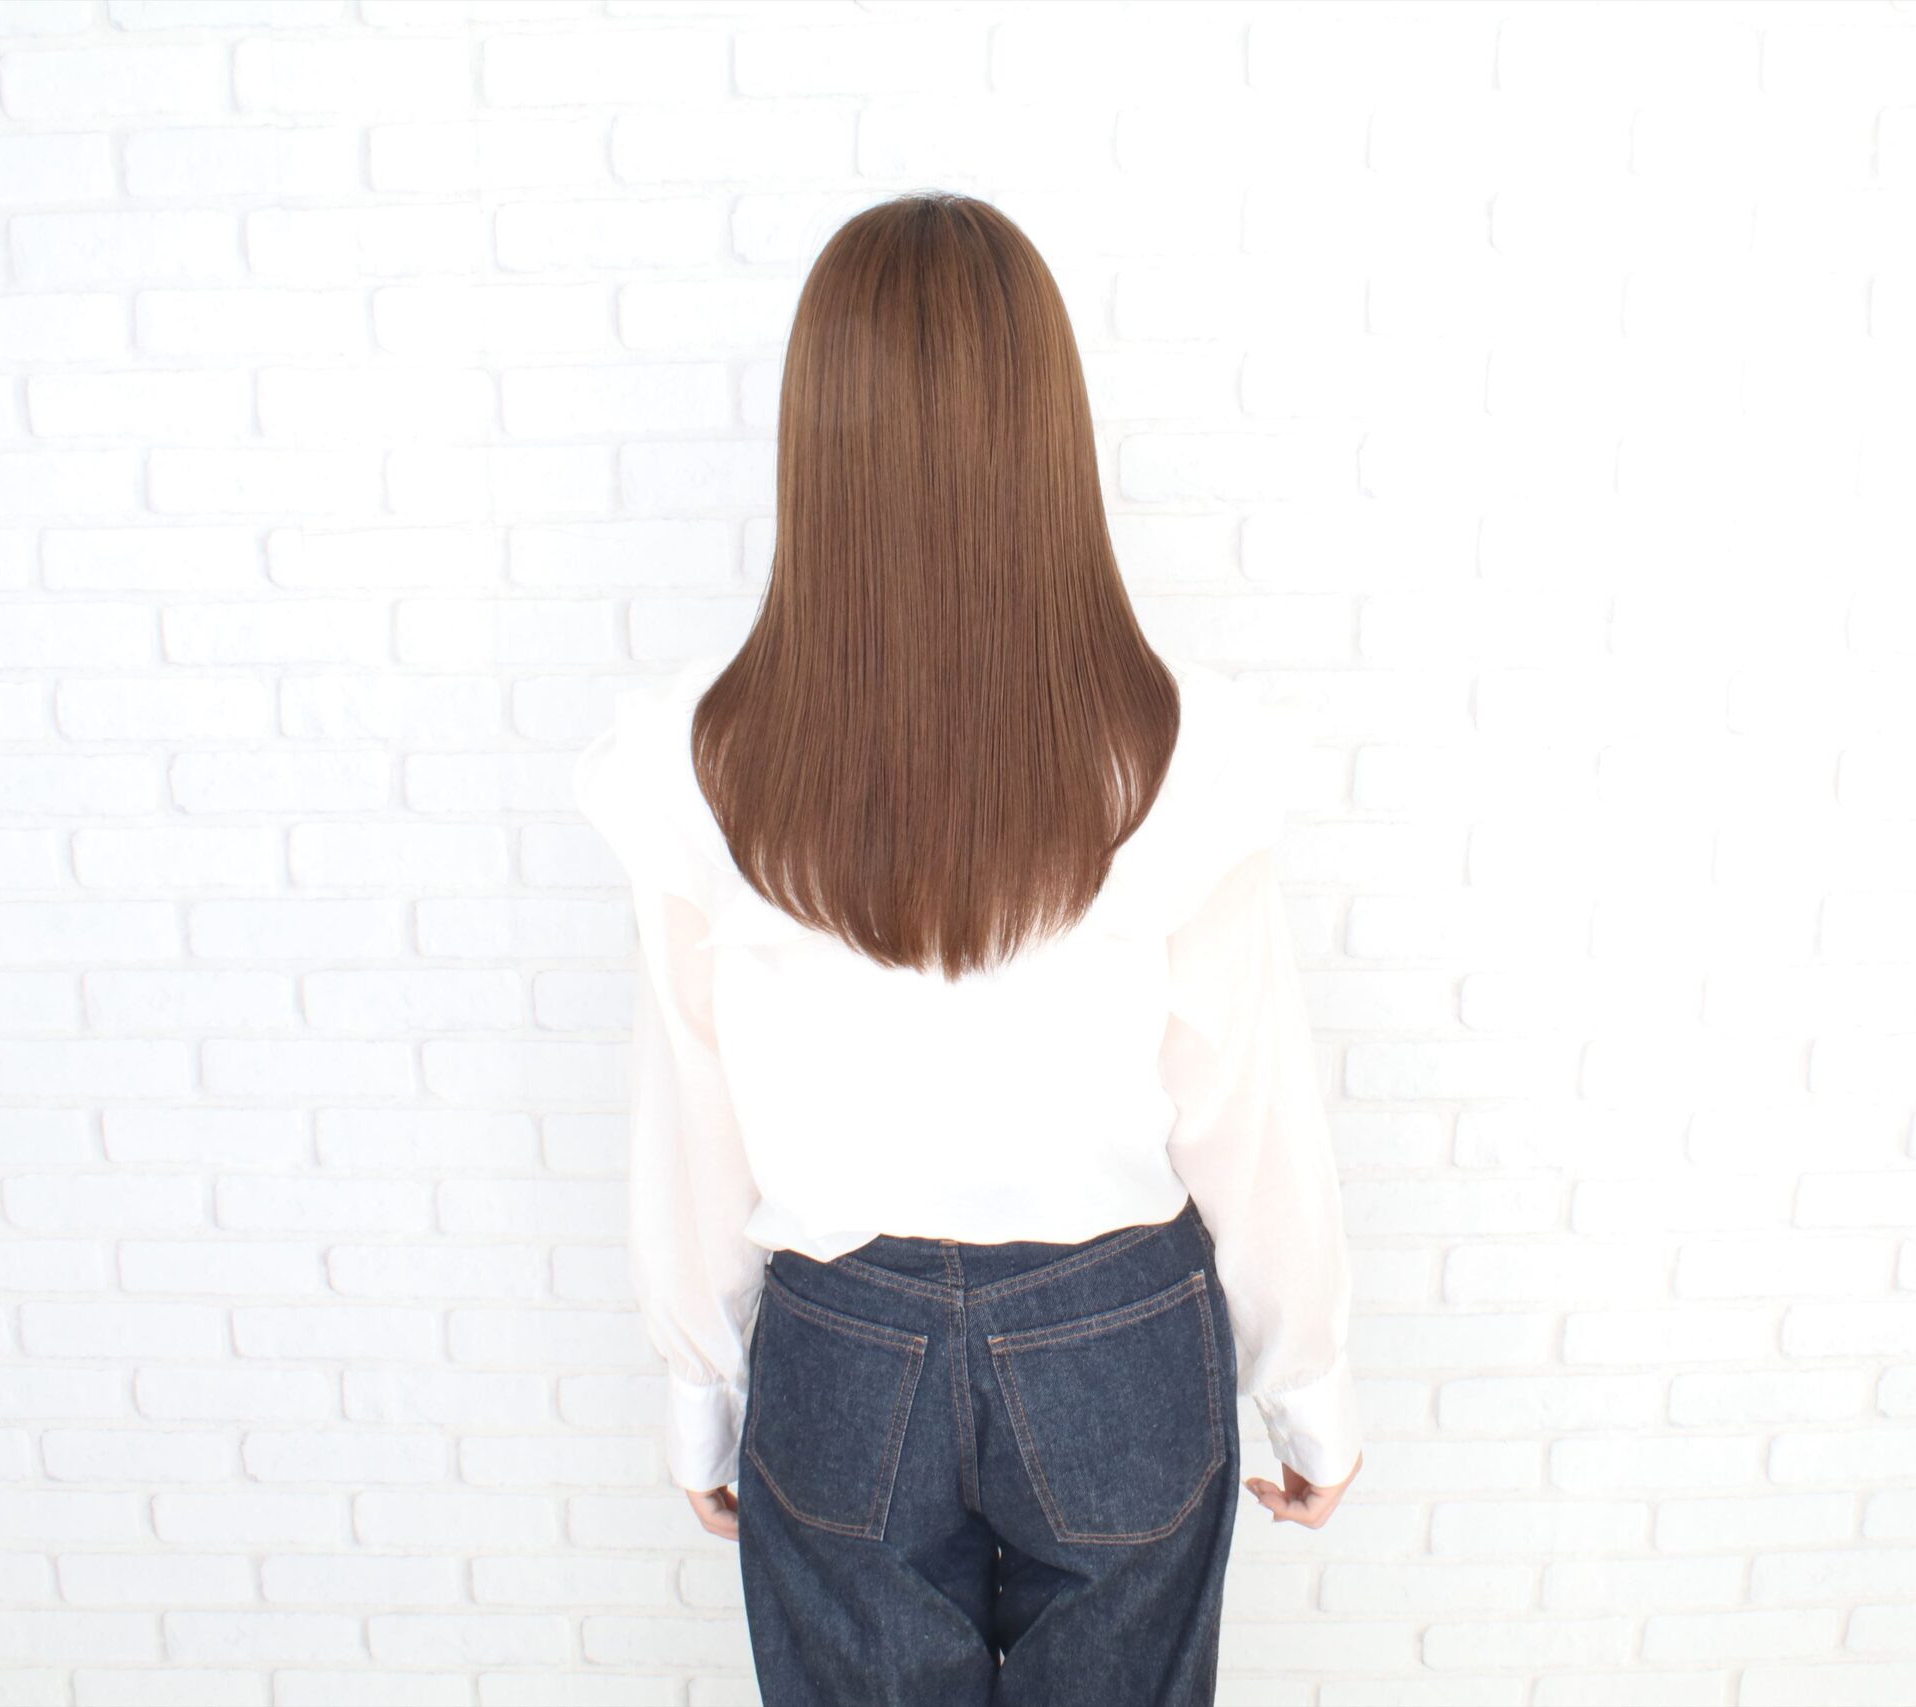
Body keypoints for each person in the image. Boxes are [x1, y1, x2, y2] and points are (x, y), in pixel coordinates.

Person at [571, 191, 1362, 1705]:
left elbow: (693, 1125)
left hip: (841, 1353)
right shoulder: (1175, 751)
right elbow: (1247, 1110)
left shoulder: (700, 760)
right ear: (1046, 434)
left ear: (818, 440)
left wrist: (702, 1392)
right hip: (1116, 1340)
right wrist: (1309, 1387)